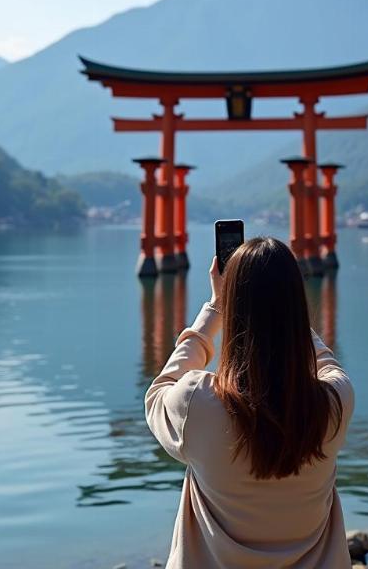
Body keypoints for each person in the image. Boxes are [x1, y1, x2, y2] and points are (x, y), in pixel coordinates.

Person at [145, 236, 355, 568]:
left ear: (234, 310)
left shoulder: (197, 404)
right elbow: (327, 364)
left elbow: (158, 393)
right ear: (298, 307)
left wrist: (214, 309)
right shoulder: (334, 405)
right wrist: (289, 316)